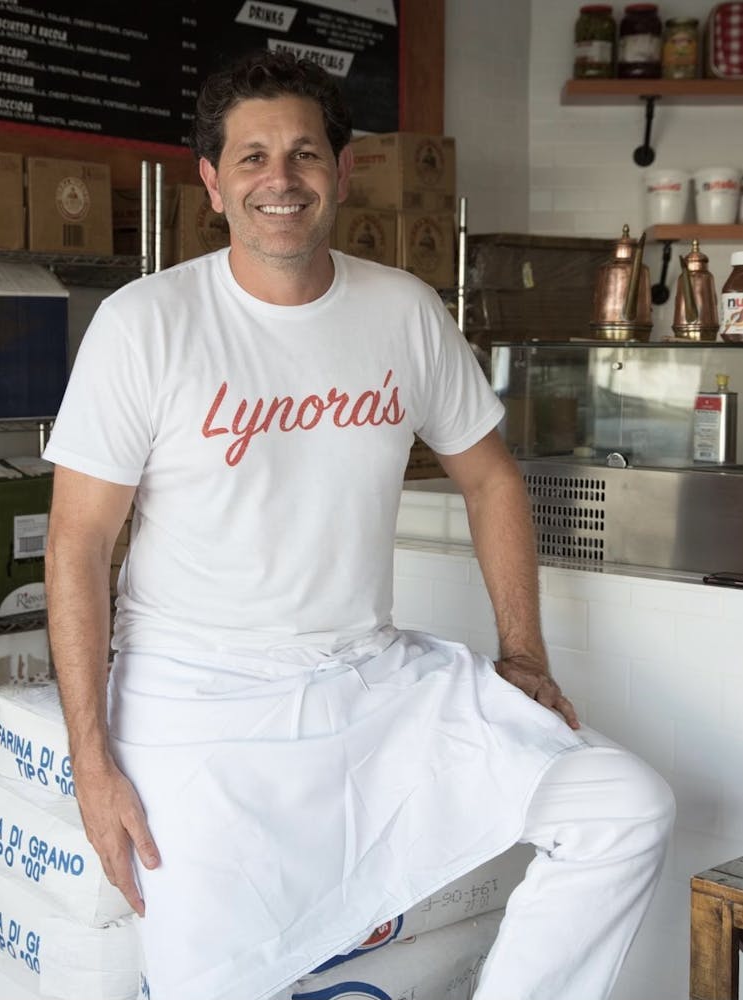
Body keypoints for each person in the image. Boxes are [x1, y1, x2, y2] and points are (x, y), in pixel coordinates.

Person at [44, 50, 674, 1000]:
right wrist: (92, 763)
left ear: (339, 174)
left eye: (303, 154)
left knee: (626, 809)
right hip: (198, 698)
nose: (280, 179)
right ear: (213, 184)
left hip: (371, 679)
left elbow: (494, 478)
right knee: (211, 983)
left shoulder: (403, 311)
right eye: (251, 158)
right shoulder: (147, 323)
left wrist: (522, 656)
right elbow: (76, 545)